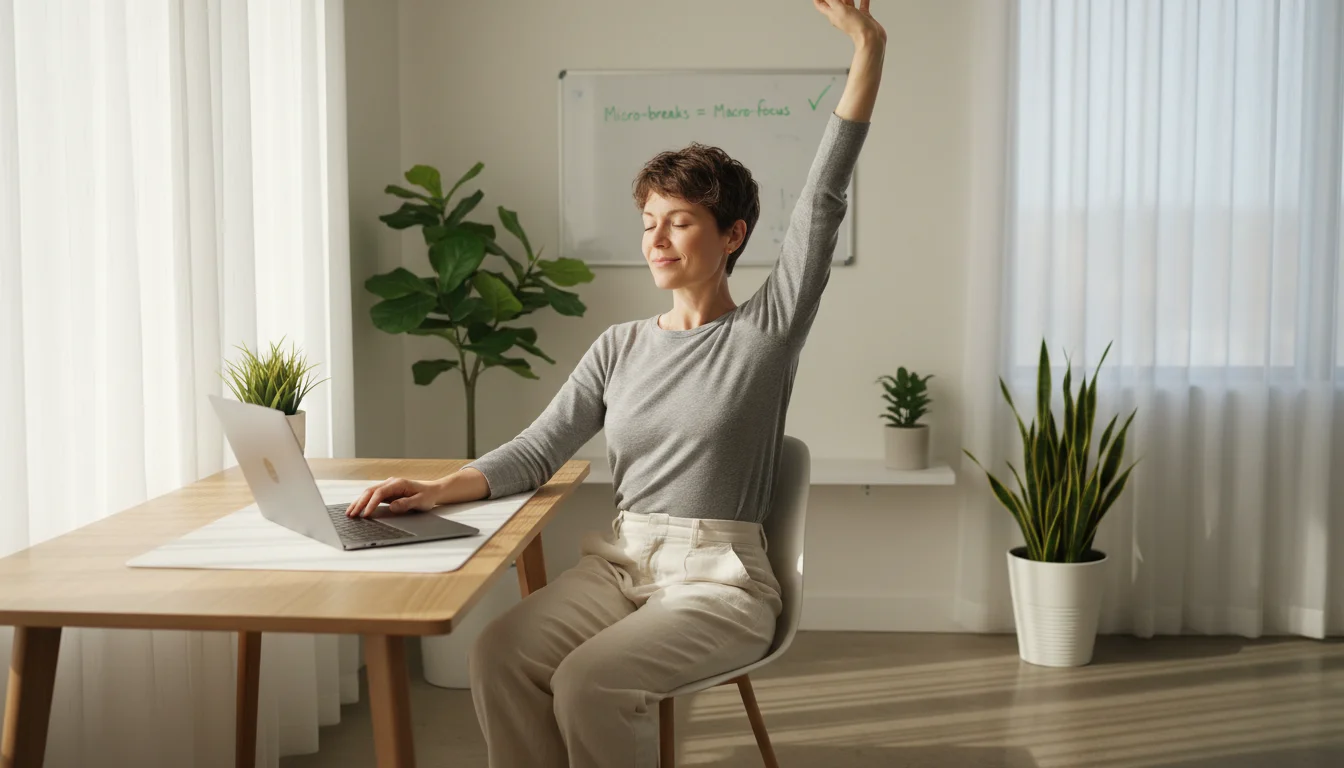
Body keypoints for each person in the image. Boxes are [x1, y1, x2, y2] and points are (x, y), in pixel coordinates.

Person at [345, 1, 884, 764]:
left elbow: (823, 198)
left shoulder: (765, 332)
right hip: (621, 563)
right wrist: (437, 489)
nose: (655, 238)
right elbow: (538, 449)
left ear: (732, 235)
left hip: (719, 583)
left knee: (588, 684)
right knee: (499, 654)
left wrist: (868, 46)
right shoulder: (620, 346)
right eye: (648, 220)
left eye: (679, 221)